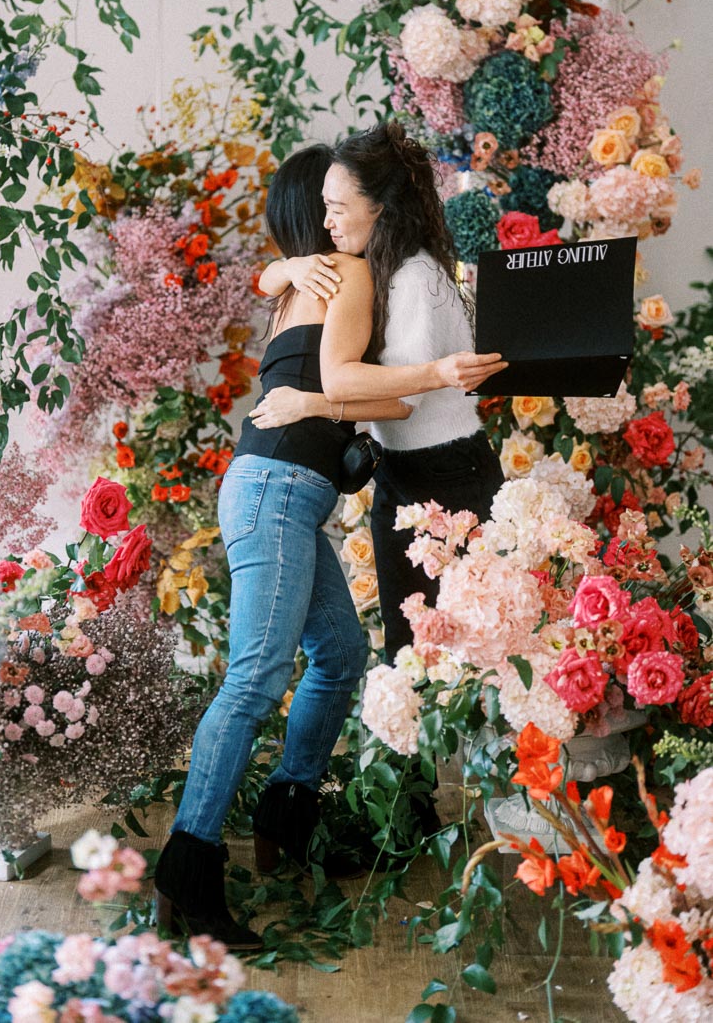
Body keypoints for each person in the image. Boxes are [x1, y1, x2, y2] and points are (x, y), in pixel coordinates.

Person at [154, 143, 414, 949]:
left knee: (339, 654)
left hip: (279, 496)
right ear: (317, 213)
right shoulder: (338, 273)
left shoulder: (300, 280)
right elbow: (347, 386)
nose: (340, 213)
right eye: (329, 202)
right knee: (256, 678)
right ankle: (187, 871)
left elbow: (283, 298)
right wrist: (431, 377)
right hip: (274, 494)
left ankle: (286, 811)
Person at [251, 120, 506, 664]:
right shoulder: (381, 269)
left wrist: (313, 403)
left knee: (453, 657)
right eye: (323, 206)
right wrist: (292, 266)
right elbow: (265, 280)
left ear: (380, 208)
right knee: (411, 651)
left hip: (449, 478)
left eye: (338, 208)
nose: (326, 223)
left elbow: (400, 400)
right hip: (405, 472)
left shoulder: (415, 276)